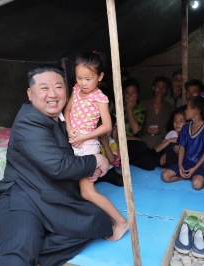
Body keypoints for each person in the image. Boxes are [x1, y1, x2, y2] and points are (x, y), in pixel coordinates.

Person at [0, 65, 113, 266]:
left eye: (58, 87)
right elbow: (58, 166)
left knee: (99, 220)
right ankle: (29, 245)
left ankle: (37, 250)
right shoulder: (29, 121)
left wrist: (90, 167)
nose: (53, 94)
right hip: (22, 197)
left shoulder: (64, 121)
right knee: (19, 251)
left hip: (51, 196)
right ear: (30, 93)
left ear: (67, 90)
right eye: (44, 88)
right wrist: (97, 160)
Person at [64, 51, 128, 241]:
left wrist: (84, 137)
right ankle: (109, 220)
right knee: (82, 191)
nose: (83, 82)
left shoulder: (100, 98)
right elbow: (67, 111)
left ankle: (121, 221)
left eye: (88, 78)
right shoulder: (76, 90)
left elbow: (107, 126)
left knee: (87, 192)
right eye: (79, 78)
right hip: (73, 142)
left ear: (100, 77)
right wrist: (68, 128)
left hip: (87, 145)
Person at [161, 96, 204, 190]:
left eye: (187, 108)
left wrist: (194, 169)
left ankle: (194, 176)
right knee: (165, 176)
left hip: (200, 166)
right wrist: (180, 165)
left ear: (195, 111)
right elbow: (182, 147)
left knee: (197, 185)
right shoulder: (185, 127)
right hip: (186, 163)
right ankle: (184, 177)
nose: (185, 111)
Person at [114, 78, 156, 170]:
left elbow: (135, 129)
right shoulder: (117, 108)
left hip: (131, 144)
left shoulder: (141, 109)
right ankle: (119, 160)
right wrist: (136, 139)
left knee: (150, 165)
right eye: (127, 93)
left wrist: (130, 109)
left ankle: (124, 160)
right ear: (123, 94)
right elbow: (116, 135)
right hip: (118, 142)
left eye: (133, 93)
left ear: (137, 94)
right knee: (142, 146)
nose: (130, 96)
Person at [140, 76, 176, 149]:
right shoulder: (143, 104)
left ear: (167, 90)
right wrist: (146, 129)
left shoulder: (171, 108)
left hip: (162, 145)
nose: (160, 90)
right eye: (158, 86)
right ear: (153, 88)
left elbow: (173, 129)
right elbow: (138, 126)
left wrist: (161, 130)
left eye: (163, 87)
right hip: (144, 143)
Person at [95, 113, 124, 187]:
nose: (105, 132)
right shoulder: (92, 141)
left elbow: (111, 160)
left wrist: (106, 145)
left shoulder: (112, 143)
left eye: (108, 129)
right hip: (95, 172)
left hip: (108, 170)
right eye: (102, 128)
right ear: (96, 126)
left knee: (121, 181)